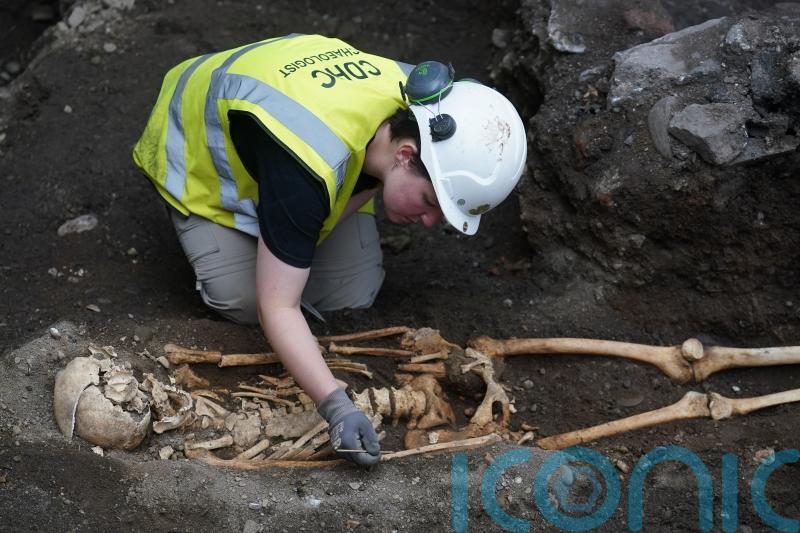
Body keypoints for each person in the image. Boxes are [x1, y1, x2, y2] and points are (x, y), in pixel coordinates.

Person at [133, 33, 527, 466]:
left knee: (350, 293)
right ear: (405, 154)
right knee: (248, 302)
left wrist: (297, 238)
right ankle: (239, 230)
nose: (432, 223)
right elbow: (277, 308)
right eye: (432, 203)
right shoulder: (305, 164)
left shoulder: (420, 101)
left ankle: (283, 235)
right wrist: (335, 405)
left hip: (302, 137)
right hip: (200, 151)